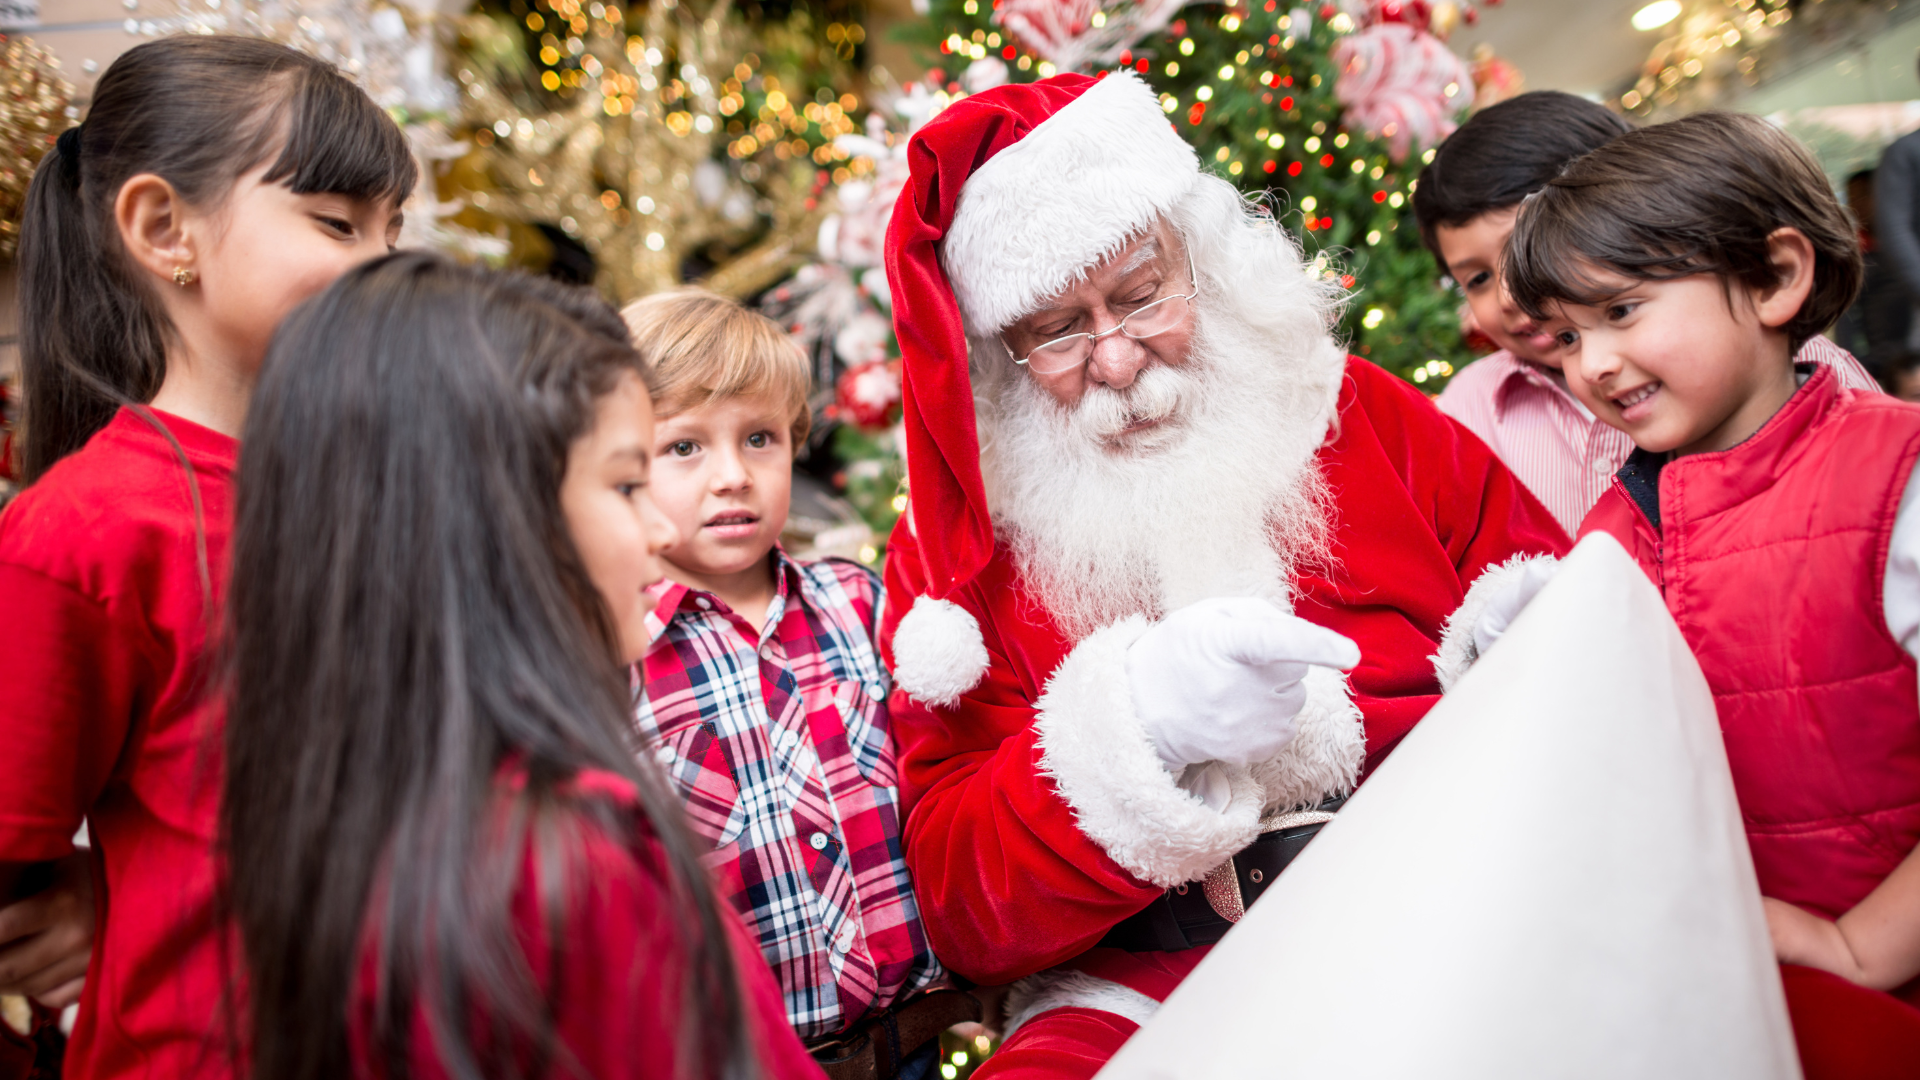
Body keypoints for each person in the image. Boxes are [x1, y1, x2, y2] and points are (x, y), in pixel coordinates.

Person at [872, 71, 1567, 1079]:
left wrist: (1525, 653)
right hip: (1148, 987)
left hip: (1444, 903)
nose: (1114, 358)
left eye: (1142, 293)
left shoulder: (1356, 411)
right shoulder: (957, 554)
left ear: (1202, 261)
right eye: (1056, 329)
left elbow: (1571, 611)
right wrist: (1134, 739)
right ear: (997, 356)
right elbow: (965, 911)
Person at [223, 253, 824, 1080]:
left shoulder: (345, 812)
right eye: (625, 484)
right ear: (499, 516)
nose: (657, 532)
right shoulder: (575, 860)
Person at [0, 36, 414, 1079]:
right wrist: (94, 895)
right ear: (162, 227)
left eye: (393, 230)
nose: (386, 265)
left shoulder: (396, 484)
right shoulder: (86, 532)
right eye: (337, 224)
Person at [1503, 110, 1920, 1077]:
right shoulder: (1616, 530)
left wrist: (1867, 944)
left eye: (1623, 311)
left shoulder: (1895, 479)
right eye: (1566, 336)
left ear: (1776, 277)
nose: (1591, 365)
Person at [622, 290, 964, 1080]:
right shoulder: (613, 656)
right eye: (684, 448)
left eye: (760, 438)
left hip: (913, 1047)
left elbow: (940, 777)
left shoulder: (861, 602)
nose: (732, 476)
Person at [1416, 90, 1877, 535]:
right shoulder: (1468, 406)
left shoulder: (1807, 371)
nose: (1509, 295)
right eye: (1476, 279)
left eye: (1523, 252)